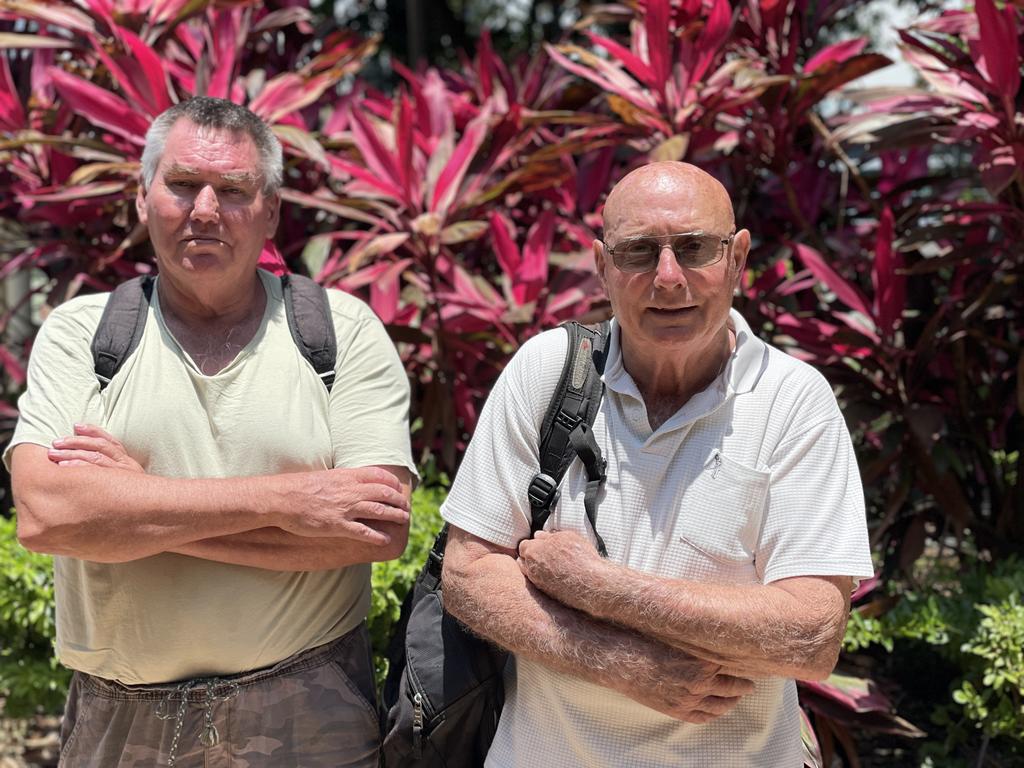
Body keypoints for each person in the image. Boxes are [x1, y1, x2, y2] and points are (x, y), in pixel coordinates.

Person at [5, 97, 416, 767]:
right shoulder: (80, 335)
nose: (204, 210)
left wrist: (135, 508)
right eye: (182, 184)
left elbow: (374, 531)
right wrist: (290, 504)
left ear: (271, 210)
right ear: (143, 199)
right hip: (120, 719)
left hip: (309, 713)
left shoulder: (340, 331)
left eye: (232, 190)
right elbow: (46, 515)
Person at [440, 161, 874, 767]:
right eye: (640, 252)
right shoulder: (548, 372)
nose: (668, 278)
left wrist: (601, 587)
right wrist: (622, 663)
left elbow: (810, 634)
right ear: (603, 266)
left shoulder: (793, 399)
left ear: (738, 259)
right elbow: (467, 574)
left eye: (694, 249)